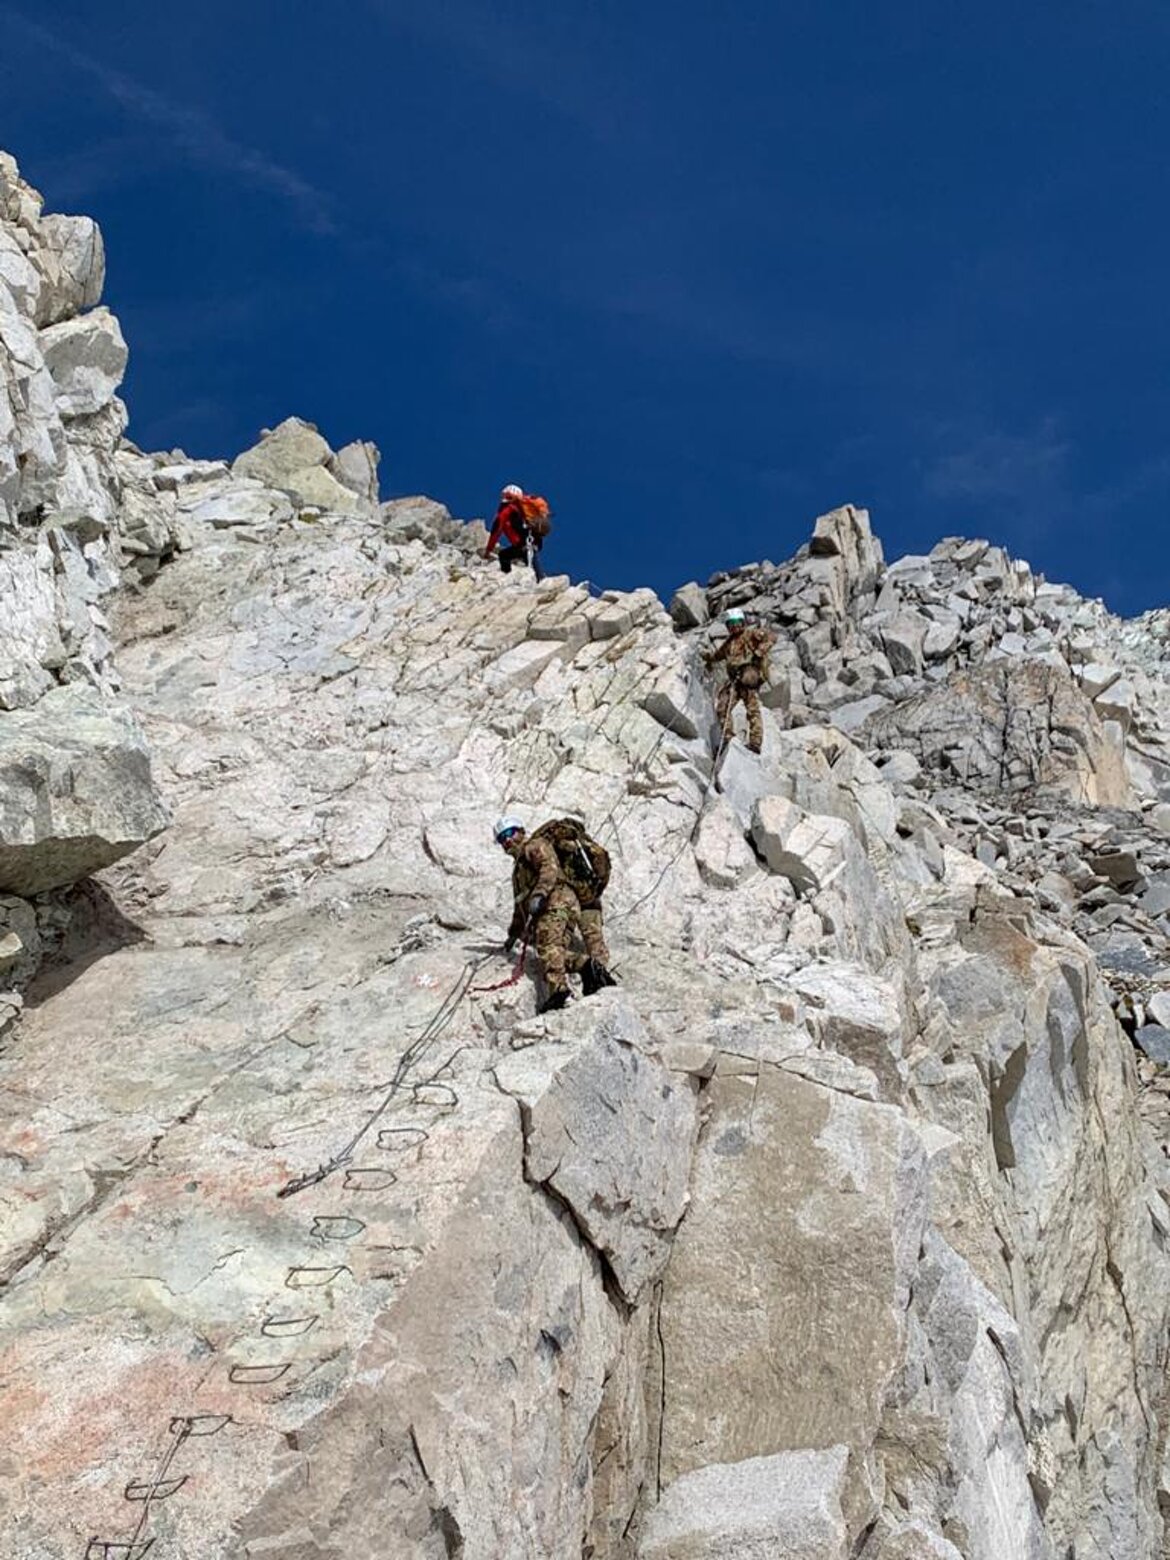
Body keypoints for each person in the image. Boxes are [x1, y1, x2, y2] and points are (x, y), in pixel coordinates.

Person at [493, 816, 616, 1011]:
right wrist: (513, 934)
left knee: (549, 947)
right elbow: (520, 907)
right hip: (563, 904)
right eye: (501, 839)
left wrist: (540, 894)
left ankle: (559, 992)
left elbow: (549, 868)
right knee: (550, 952)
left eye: (510, 833)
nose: (507, 841)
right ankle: (589, 968)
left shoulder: (533, 846)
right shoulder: (519, 869)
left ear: (521, 831)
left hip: (556, 901)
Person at [703, 608, 777, 755]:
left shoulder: (751, 634)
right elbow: (717, 656)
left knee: (752, 708)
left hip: (748, 676)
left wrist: (759, 652)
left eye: (737, 623)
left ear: (743, 623)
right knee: (722, 707)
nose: (735, 626)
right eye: (731, 623)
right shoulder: (729, 643)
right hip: (735, 681)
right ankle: (728, 739)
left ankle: (755, 743)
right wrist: (706, 657)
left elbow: (771, 637)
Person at [484, 484, 546, 581]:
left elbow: (496, 531)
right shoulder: (526, 506)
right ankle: (540, 578)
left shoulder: (506, 510)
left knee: (504, 555)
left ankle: (507, 577)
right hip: (535, 540)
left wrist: (488, 550)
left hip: (522, 543)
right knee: (529, 558)